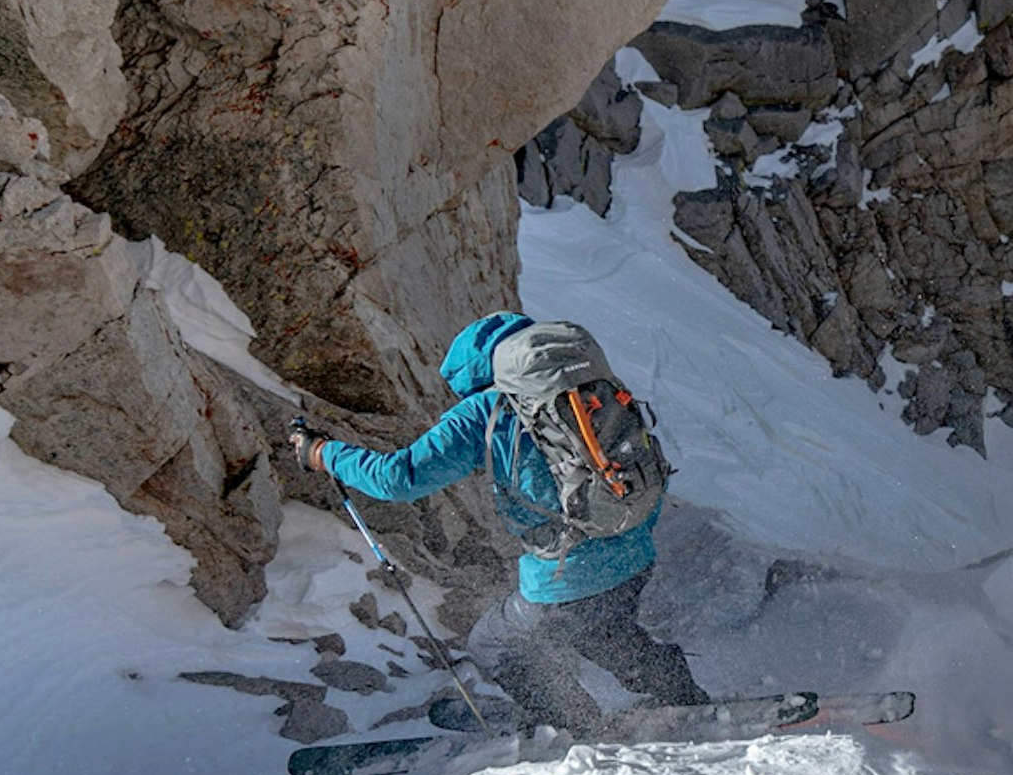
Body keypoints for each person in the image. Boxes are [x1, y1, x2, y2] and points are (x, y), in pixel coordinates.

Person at [289, 311, 707, 736]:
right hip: (634, 554)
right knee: (604, 632)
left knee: (494, 643)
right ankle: (685, 700)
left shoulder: (485, 409)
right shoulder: (586, 387)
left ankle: (578, 725)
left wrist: (323, 454)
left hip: (567, 579)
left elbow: (398, 478)